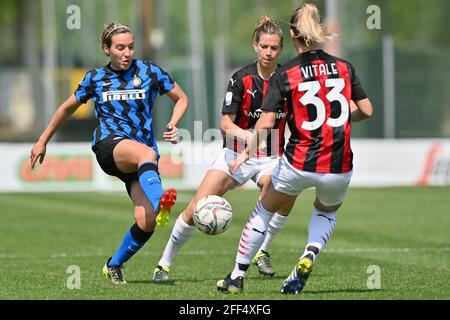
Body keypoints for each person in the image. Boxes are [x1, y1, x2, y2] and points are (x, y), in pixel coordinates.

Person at [217, 3, 373, 294]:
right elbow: (366, 110)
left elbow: (264, 126)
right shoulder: (344, 67)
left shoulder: (285, 74)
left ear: (292, 34)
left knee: (264, 210)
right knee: (326, 212)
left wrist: (245, 154)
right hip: (339, 165)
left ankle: (237, 277)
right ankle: (310, 253)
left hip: (299, 162)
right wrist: (335, 120)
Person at [30, 22, 189, 285]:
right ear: (107, 49)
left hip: (138, 158)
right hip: (109, 146)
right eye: (120, 48)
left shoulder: (149, 71)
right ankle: (161, 199)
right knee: (147, 154)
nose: (127, 53)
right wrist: (42, 141)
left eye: (130, 47)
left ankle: (113, 265)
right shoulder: (95, 78)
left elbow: (181, 98)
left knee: (146, 221)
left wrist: (173, 122)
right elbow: (66, 108)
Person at [152, 16, 290, 282]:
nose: (268, 52)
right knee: (195, 208)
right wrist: (248, 136)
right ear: (255, 46)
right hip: (233, 154)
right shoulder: (241, 79)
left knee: (283, 193)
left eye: (274, 48)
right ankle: (164, 263)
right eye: (264, 46)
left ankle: (261, 251)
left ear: (281, 49)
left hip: (272, 155)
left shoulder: (287, 80)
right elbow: (225, 123)